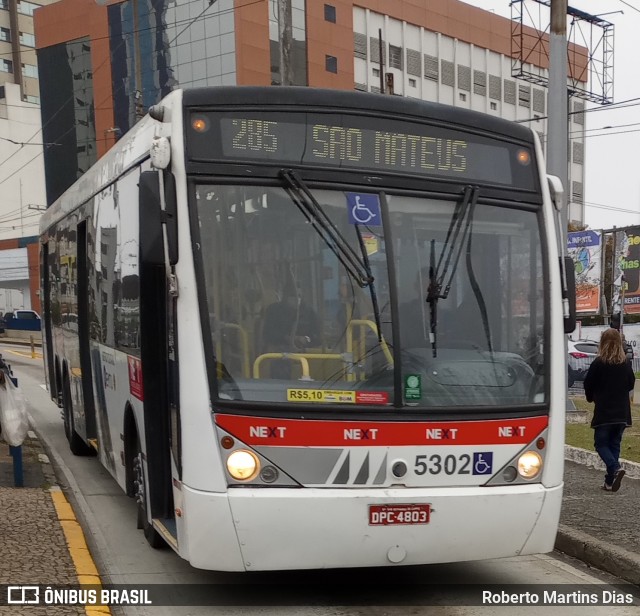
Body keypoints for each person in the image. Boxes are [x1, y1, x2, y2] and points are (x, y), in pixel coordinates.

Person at [583, 328, 635, 492]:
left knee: (600, 444)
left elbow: (588, 383)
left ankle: (615, 468)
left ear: (602, 343)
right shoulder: (625, 363)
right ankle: (610, 481)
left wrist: (591, 397)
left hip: (605, 412)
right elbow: (631, 383)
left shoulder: (599, 363)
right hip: (622, 413)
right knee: (614, 445)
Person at [262, 278, 321, 378]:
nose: (296, 299)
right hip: (279, 352)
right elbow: (268, 333)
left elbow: (318, 336)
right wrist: (288, 338)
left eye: (299, 296)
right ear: (285, 296)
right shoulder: (274, 310)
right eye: (292, 296)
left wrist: (306, 339)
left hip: (305, 352)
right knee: (280, 362)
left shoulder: (309, 312)